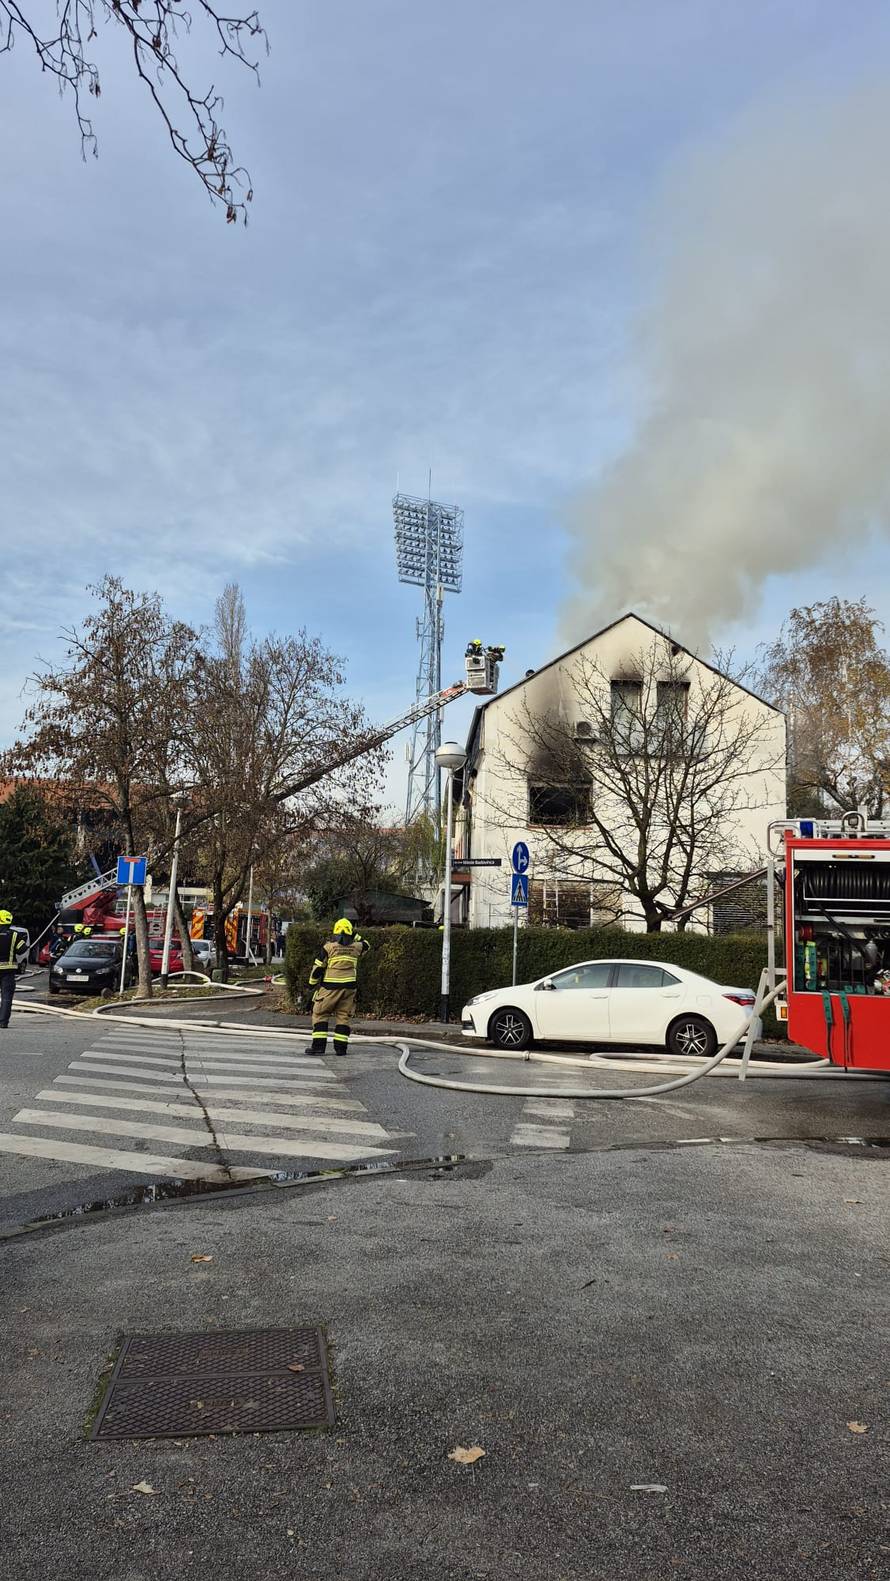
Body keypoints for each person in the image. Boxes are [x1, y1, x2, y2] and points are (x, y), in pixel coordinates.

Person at [305, 918, 370, 1057]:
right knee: (343, 1016)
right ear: (350, 933)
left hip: (329, 988)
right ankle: (341, 1049)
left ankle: (318, 1047)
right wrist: (355, 935)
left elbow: (317, 969)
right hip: (349, 989)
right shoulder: (357, 947)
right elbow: (367, 944)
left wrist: (311, 984)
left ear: (335, 933)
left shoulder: (328, 948)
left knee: (320, 1014)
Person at [0, 909, 29, 1029]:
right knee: (6, 996)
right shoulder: (15, 935)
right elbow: (22, 950)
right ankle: (3, 1022)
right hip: (8, 970)